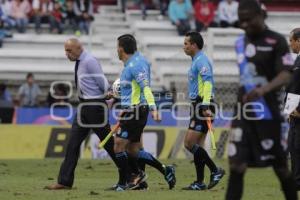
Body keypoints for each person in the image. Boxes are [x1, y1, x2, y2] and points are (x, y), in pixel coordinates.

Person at [225, 1, 298, 199]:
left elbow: (286, 74)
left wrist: (263, 90)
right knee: (236, 165)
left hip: (269, 115)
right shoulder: (239, 43)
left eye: (249, 19)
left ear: (262, 16)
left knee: (281, 167)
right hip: (243, 114)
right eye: (241, 20)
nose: (245, 24)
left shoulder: (277, 41)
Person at [45, 38, 118, 190]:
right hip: (84, 106)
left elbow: (103, 83)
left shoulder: (89, 61)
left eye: (69, 50)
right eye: (65, 50)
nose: (66, 54)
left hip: (94, 107)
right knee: (72, 144)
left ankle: (131, 174)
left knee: (110, 144)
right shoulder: (81, 61)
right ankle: (64, 181)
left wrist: (108, 95)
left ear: (79, 48)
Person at [112, 34, 176, 191]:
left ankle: (132, 178)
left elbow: (146, 88)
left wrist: (154, 109)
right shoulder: (135, 62)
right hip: (133, 109)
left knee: (118, 146)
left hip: (137, 110)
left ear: (121, 49)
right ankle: (165, 170)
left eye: (117, 47)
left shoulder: (135, 65)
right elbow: (135, 89)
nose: (116, 50)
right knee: (133, 149)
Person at [182, 31, 225, 190]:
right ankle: (199, 182)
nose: (184, 46)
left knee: (189, 143)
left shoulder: (202, 61)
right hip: (198, 104)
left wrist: (205, 105)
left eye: (186, 43)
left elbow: (208, 83)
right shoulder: (196, 61)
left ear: (194, 45)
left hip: (203, 105)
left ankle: (215, 170)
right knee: (197, 146)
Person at [286, 28, 300, 190]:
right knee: (293, 147)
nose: (290, 44)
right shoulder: (297, 60)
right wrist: (289, 109)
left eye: (291, 40)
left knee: (297, 147)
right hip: (293, 113)